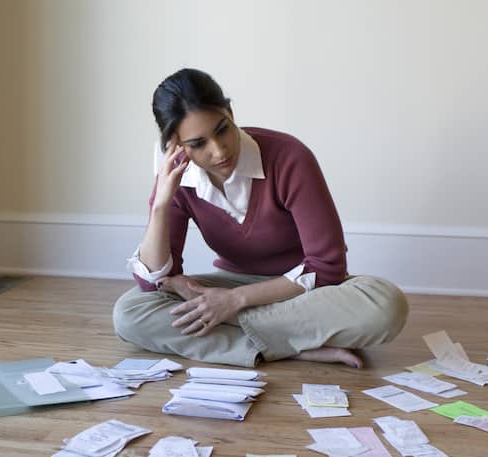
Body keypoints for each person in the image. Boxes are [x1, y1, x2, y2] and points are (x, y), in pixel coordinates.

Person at [113, 68, 408, 369]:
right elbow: (155, 282)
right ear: (175, 146)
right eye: (198, 144)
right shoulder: (177, 178)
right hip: (231, 285)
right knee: (130, 312)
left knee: (384, 305)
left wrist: (236, 302)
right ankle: (291, 346)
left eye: (222, 129)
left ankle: (250, 339)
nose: (219, 150)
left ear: (230, 112)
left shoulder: (289, 157)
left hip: (302, 291)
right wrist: (162, 203)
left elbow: (327, 267)